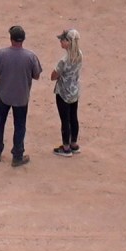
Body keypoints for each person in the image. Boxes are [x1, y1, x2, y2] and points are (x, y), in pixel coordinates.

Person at [0, 25, 45, 165]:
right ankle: (17, 156)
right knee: (20, 125)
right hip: (21, 96)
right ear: (23, 39)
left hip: (3, 94)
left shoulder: (0, 54)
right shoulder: (30, 56)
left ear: (11, 38)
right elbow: (36, 75)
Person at [50, 28, 82, 156]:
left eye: (63, 40)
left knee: (65, 119)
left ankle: (66, 147)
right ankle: (73, 143)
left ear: (68, 42)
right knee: (74, 117)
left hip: (63, 92)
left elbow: (53, 76)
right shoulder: (80, 54)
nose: (61, 42)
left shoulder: (64, 60)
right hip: (74, 90)